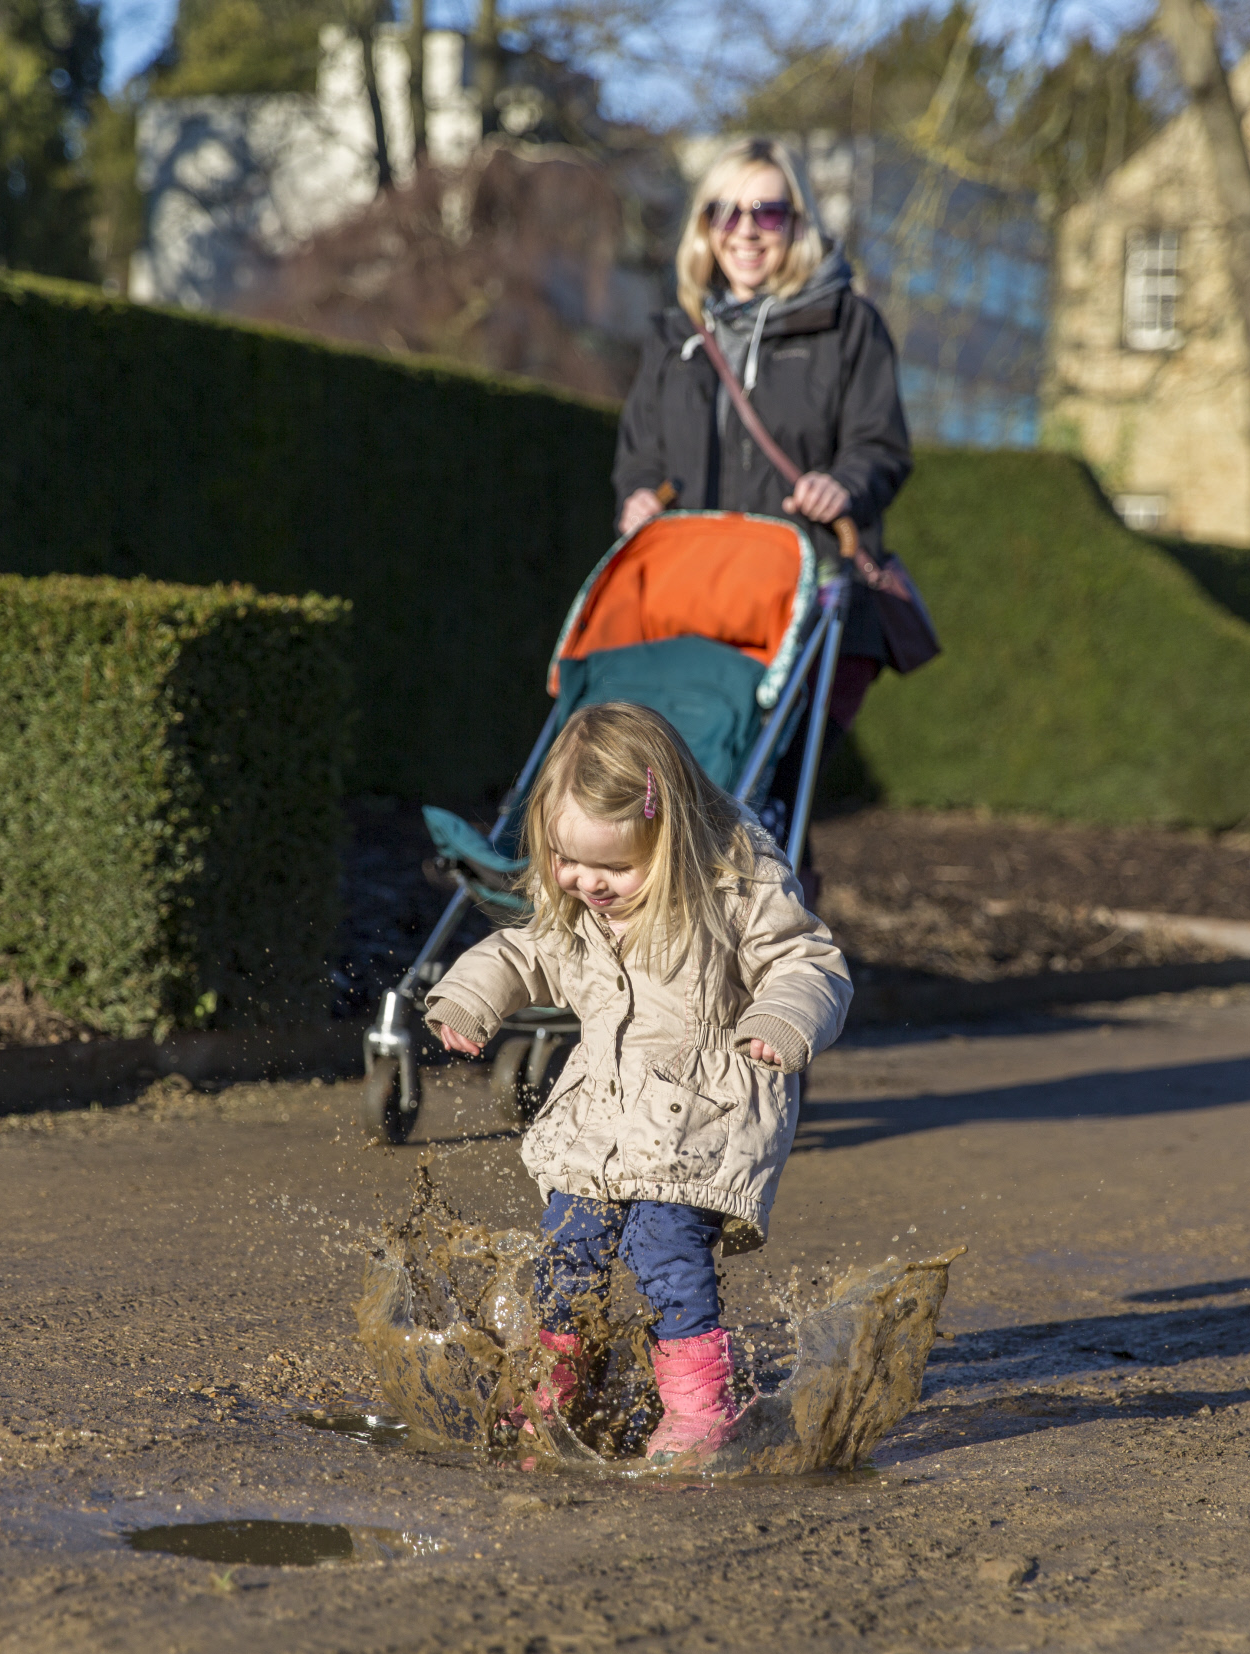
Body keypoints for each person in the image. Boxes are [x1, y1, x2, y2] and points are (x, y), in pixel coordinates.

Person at [424, 702, 851, 1463]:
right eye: (567, 859)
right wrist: (471, 995)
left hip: (705, 1111)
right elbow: (527, 950)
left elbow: (804, 960)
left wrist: (784, 1018)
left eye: (615, 866)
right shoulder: (582, 902)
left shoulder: (730, 879)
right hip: (606, 1114)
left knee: (662, 1245)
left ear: (672, 829)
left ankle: (700, 1407)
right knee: (567, 1244)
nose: (588, 882)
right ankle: (562, 1384)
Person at [612, 137, 914, 877]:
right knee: (670, 776)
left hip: (803, 599)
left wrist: (843, 482)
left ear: (798, 224)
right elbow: (639, 454)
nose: (745, 229)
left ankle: (778, 955)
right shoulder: (675, 335)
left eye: (768, 212)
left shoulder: (847, 326)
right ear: (703, 227)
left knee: (763, 789)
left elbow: (881, 443)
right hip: (693, 597)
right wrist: (637, 498)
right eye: (724, 211)